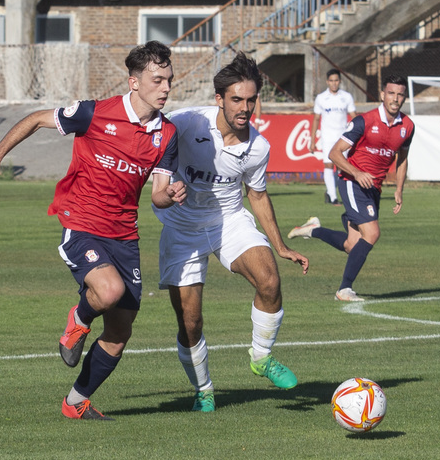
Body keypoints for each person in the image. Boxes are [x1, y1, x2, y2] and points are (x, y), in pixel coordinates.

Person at [0, 41, 186, 421]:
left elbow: (157, 197)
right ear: (133, 82)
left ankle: (75, 402)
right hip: (82, 224)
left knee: (121, 332)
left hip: (125, 236)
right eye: (157, 80)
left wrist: (170, 195)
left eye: (169, 79)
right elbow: (38, 118)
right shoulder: (94, 113)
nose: (166, 87)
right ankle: (79, 320)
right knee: (109, 291)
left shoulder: (167, 135)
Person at [155, 53, 309, 412]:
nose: (245, 107)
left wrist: (280, 245)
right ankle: (204, 389)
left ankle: (261, 357)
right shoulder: (184, 123)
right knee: (190, 321)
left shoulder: (258, 147)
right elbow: (148, 153)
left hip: (229, 219)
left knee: (269, 281)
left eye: (251, 99)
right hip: (181, 226)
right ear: (219, 99)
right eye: (237, 99)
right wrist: (160, 192)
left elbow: (256, 194)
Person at [288, 74, 414, 302]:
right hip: (350, 181)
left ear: (405, 97)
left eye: (400, 94)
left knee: (352, 245)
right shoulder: (364, 121)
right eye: (392, 93)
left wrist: (399, 189)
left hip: (374, 188)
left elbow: (402, 158)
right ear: (383, 95)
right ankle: (344, 289)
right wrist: (356, 172)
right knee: (372, 233)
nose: (396, 98)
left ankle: (311, 229)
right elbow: (334, 153)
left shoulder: (407, 126)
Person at [311, 69, 356, 205]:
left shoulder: (346, 97)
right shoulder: (321, 98)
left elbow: (354, 116)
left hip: (343, 136)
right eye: (331, 81)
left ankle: (338, 193)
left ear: (340, 81)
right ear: (327, 82)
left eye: (336, 80)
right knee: (328, 164)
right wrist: (312, 140)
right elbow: (316, 119)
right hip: (327, 136)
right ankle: (332, 196)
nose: (334, 83)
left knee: (342, 166)